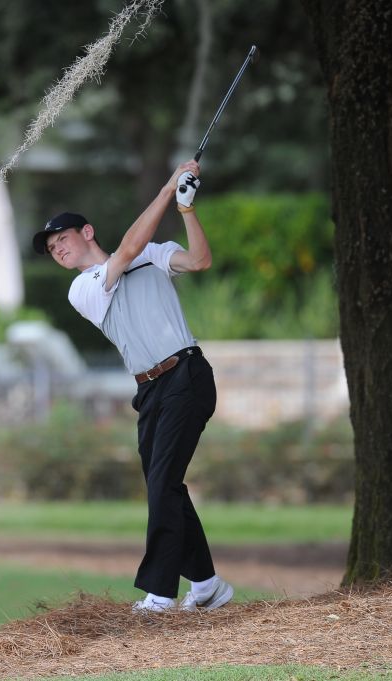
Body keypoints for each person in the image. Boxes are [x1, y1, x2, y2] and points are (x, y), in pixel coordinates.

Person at [31, 159, 232, 613]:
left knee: (163, 483)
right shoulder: (83, 288)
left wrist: (186, 209)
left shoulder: (153, 254)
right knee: (164, 485)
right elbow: (126, 250)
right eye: (51, 248)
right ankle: (207, 585)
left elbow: (199, 260)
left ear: (87, 232)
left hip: (186, 374)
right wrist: (166, 189)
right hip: (149, 391)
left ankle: (160, 593)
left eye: (62, 239)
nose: (57, 250)